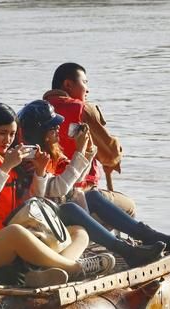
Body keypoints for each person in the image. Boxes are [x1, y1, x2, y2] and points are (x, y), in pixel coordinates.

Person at [0, 102, 116, 287]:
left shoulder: (9, 160)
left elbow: (28, 206)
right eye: (2, 133)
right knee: (15, 233)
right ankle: (74, 268)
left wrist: (40, 173)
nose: (8, 140)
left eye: (12, 134)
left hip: (16, 236)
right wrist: (4, 168)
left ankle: (45, 273)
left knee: (79, 232)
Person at [18, 100, 170, 261]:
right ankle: (126, 251)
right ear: (42, 133)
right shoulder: (30, 158)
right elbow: (58, 189)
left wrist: (86, 152)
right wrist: (79, 153)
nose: (58, 128)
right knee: (69, 207)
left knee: (92, 196)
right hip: (42, 223)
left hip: (52, 213)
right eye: (53, 126)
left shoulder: (48, 152)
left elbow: (75, 180)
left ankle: (149, 235)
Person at [43, 62, 136, 217]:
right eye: (84, 82)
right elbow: (110, 156)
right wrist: (116, 145)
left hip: (46, 194)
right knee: (129, 207)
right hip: (81, 190)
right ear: (68, 85)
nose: (88, 89)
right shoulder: (81, 109)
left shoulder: (35, 110)